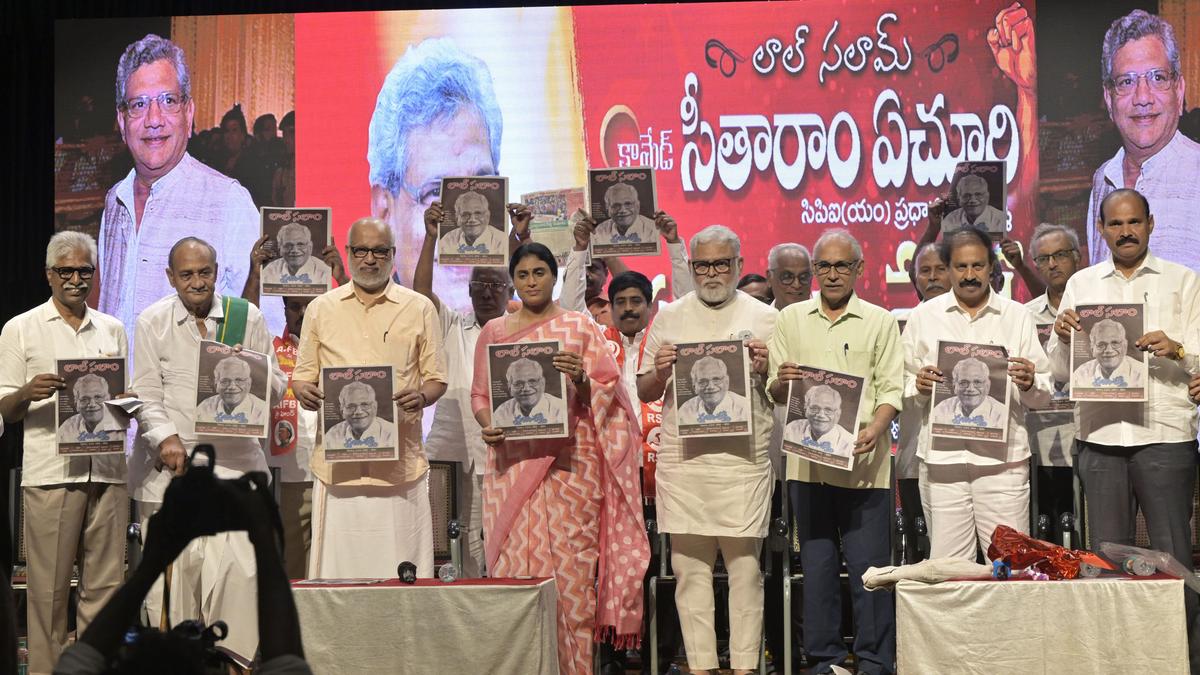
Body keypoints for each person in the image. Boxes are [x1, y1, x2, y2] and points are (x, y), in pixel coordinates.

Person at [471, 242, 648, 674]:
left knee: (571, 582)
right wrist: (486, 423)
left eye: (540, 273)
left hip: (571, 471)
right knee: (513, 579)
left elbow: (612, 396)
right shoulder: (494, 332)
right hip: (510, 467)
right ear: (514, 279)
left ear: (554, 277)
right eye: (523, 274)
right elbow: (481, 395)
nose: (531, 282)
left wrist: (582, 380)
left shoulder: (579, 328)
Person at [1047, 188, 1200, 670]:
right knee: (1105, 562)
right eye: (1116, 224)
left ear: (1151, 224)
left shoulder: (1184, 281)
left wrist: (1176, 348)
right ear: (1101, 229)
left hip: (1164, 433)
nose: (1126, 231)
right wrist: (1061, 336)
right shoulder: (1082, 285)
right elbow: (1057, 374)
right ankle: (1114, 661)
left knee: (1173, 558)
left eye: (1134, 222)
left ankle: (1183, 660)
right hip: (1101, 436)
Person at [130, 236, 285, 665]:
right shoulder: (152, 321)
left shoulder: (246, 316)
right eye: (187, 274)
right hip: (172, 477)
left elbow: (276, 392)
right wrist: (165, 437)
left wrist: (254, 368)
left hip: (236, 472)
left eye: (205, 272)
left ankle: (237, 666)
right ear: (170, 277)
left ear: (217, 272)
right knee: (176, 594)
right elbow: (144, 393)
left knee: (239, 581)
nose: (197, 282)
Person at [638, 225, 777, 675]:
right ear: (692, 267)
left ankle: (743, 667)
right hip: (685, 463)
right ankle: (700, 666)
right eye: (703, 265)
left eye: (721, 263)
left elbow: (782, 392)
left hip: (743, 462)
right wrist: (659, 373)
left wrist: (764, 367)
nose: (712, 273)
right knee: (689, 569)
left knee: (745, 570)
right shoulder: (670, 315)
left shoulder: (765, 316)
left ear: (738, 265)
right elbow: (643, 389)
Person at [767, 228, 902, 675]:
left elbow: (891, 389)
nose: (831, 274)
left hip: (866, 467)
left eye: (841, 265)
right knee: (819, 573)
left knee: (871, 574)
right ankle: (824, 663)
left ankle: (874, 662)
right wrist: (783, 381)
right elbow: (775, 387)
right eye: (823, 266)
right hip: (808, 468)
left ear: (859, 269)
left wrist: (877, 427)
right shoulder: (790, 319)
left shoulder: (881, 320)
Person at [0, 232, 129, 675]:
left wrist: (126, 403)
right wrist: (27, 392)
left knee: (106, 588)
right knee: (49, 594)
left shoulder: (112, 327)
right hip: (52, 474)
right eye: (66, 271)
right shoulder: (20, 328)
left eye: (85, 271)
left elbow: (124, 402)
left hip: (108, 472)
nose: (76, 280)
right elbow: (5, 409)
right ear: (49, 275)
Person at [52, 456, 312, 675]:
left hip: (228, 457)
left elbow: (84, 655)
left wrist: (151, 565)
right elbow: (286, 658)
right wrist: (266, 542)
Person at [292, 217, 447, 579]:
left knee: (402, 578)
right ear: (347, 254)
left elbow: (436, 379)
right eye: (360, 250)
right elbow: (302, 377)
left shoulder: (419, 308)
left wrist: (422, 397)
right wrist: (304, 392)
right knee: (338, 580)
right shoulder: (320, 308)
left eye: (379, 251)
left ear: (392, 255)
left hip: (400, 471)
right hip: (338, 471)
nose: (370, 259)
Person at [100, 34, 273, 340]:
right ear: (122, 120)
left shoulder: (229, 202)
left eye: (168, 100)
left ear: (189, 112)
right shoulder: (115, 201)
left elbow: (267, 327)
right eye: (139, 104)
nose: (154, 120)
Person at [903, 226, 1050, 560]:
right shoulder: (924, 317)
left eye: (978, 266)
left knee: (1010, 565)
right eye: (961, 267)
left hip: (1003, 463)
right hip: (943, 464)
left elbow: (1044, 391)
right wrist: (918, 386)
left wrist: (1030, 382)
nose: (970, 275)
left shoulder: (1017, 316)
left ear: (992, 267)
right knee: (950, 569)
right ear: (948, 268)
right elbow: (899, 386)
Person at [368, 37, 503, 311]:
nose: (465, 226)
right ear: (384, 210)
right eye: (435, 193)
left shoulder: (537, 332)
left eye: (481, 187)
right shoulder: (360, 339)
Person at [1087, 10, 1200, 273]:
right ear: (1108, 98)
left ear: (1179, 90)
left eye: (1157, 78)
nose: (1142, 97)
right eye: (1126, 81)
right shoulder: (1102, 180)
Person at [1023, 223, 1082, 542]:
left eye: (1060, 255)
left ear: (1078, 257)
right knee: (1045, 527)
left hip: (1090, 430)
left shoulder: (1098, 307)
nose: (1052, 264)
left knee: (1088, 521)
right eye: (1043, 258)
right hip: (1041, 434)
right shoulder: (1024, 316)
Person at [895, 242, 950, 564]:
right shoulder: (905, 322)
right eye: (924, 271)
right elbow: (890, 386)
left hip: (967, 458)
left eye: (940, 269)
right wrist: (914, 385)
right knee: (920, 548)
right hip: (916, 455)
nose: (932, 278)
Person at [264, 295, 317, 580]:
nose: (304, 312)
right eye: (295, 306)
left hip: (333, 476)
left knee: (330, 570)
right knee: (293, 573)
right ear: (284, 310)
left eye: (310, 305)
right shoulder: (272, 348)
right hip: (289, 476)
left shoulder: (337, 348)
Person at [930, 358, 1007, 429]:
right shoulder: (943, 409)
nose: (970, 389)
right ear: (954, 387)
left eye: (977, 382)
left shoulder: (1001, 414)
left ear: (987, 386)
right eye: (963, 383)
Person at [782, 385, 857, 457]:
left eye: (828, 409)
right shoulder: (792, 429)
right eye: (814, 408)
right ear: (805, 409)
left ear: (837, 414)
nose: (821, 415)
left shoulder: (849, 443)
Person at [1070, 319, 1146, 389]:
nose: (1109, 350)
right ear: (1092, 349)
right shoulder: (1081, 373)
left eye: (1115, 343)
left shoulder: (1142, 373)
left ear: (1125, 346)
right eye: (1101, 344)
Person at [196, 357, 268, 425]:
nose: (232, 387)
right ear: (216, 385)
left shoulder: (262, 410)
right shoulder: (205, 407)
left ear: (248, 384)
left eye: (239, 380)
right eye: (225, 381)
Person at [677, 356, 749, 425]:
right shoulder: (685, 410)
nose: (710, 386)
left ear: (727, 382)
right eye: (703, 381)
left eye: (716, 379)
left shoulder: (744, 407)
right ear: (694, 387)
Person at [323, 382, 396, 449]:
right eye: (351, 406)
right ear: (342, 411)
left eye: (364, 405)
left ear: (374, 407)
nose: (358, 412)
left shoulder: (392, 433)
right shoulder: (332, 434)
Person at [493, 359, 564, 426]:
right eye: (518, 383)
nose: (526, 388)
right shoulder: (502, 412)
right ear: (510, 388)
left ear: (542, 384)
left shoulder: (560, 409)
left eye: (532, 381)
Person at [55, 375, 122, 444]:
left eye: (98, 397)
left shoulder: (121, 423)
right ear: (76, 404)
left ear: (108, 399)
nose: (92, 404)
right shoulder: (67, 428)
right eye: (84, 399)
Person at [260, 224, 333, 288]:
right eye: (288, 245)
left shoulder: (324, 271)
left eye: (300, 244)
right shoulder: (271, 270)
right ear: (280, 248)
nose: (294, 250)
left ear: (310, 247)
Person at [440, 191, 507, 255]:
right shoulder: (448, 240)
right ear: (457, 218)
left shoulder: (502, 241)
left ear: (487, 216)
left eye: (478, 213)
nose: (472, 219)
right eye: (465, 214)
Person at [941, 175, 1006, 233]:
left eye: (978, 195)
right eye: (966, 196)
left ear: (987, 197)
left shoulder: (1001, 219)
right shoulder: (950, 219)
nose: (972, 200)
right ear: (959, 199)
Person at [765, 242, 812, 311]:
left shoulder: (827, 319)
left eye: (803, 277)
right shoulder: (760, 320)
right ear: (769, 278)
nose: (797, 285)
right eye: (787, 277)